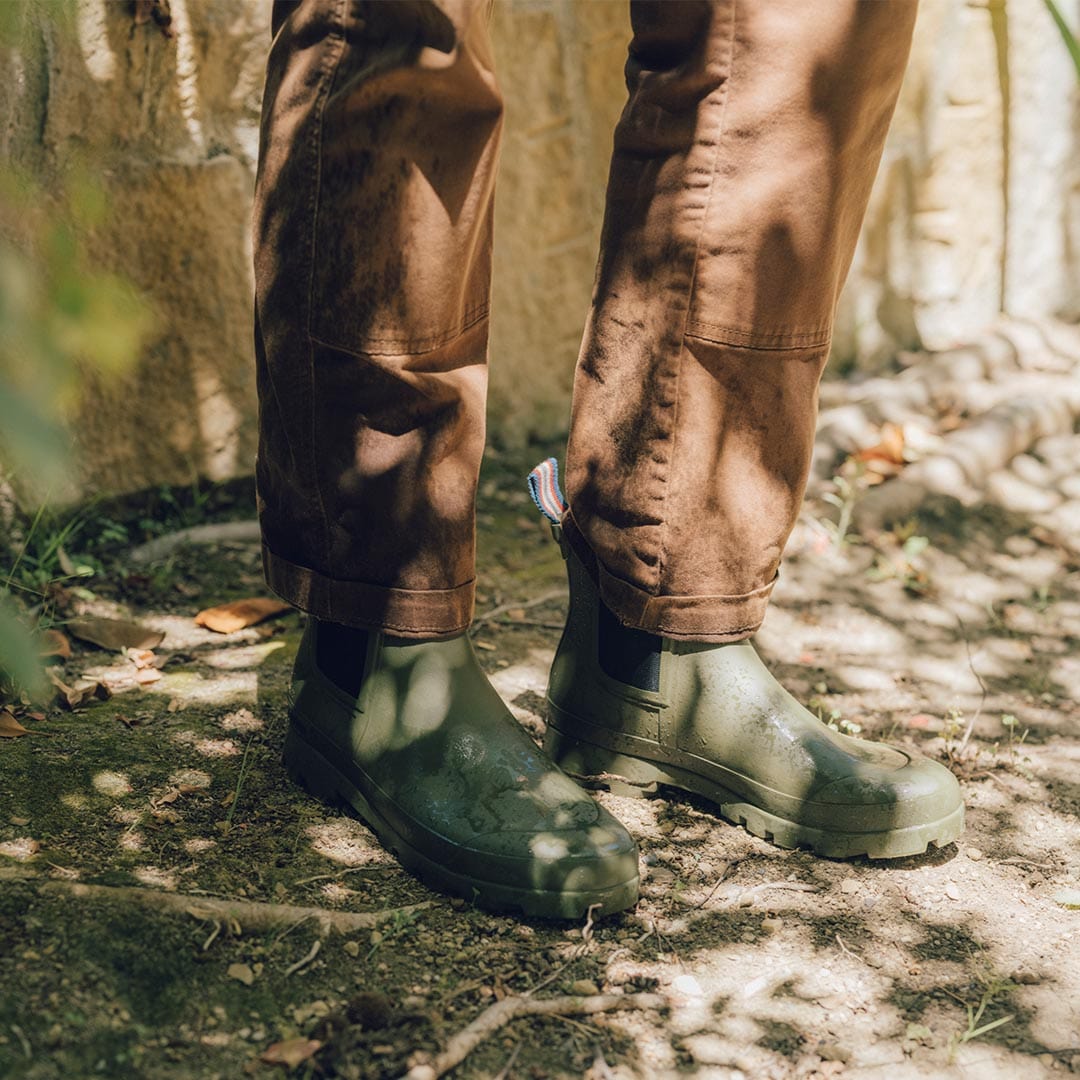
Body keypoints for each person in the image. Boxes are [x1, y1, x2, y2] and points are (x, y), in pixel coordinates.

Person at [252, 0, 963, 919]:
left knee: (789, 34)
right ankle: (374, 645)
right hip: (373, 600)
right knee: (406, 27)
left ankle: (662, 646)